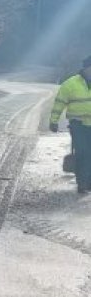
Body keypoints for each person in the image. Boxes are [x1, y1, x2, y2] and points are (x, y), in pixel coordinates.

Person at [50, 55, 91, 193]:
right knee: (83, 153)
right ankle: (82, 184)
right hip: (78, 125)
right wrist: (54, 121)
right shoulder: (71, 84)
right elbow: (59, 103)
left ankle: (88, 182)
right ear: (85, 68)